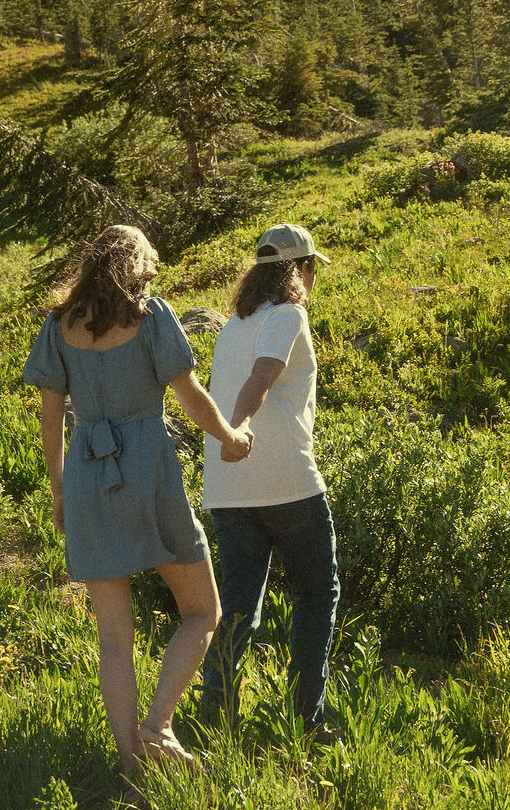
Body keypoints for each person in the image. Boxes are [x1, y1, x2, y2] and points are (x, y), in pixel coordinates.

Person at [24, 223, 254, 782]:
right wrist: (231, 437)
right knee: (203, 611)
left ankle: (132, 772)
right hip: (149, 471)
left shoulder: (58, 326)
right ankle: (159, 727)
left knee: (113, 638)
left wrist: (60, 493)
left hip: (86, 477)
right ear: (139, 265)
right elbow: (191, 396)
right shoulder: (152, 316)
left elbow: (51, 421)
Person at [197, 222, 341, 737]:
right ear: (299, 270)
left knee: (236, 608)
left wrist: (228, 442)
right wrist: (239, 428)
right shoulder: (289, 314)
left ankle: (215, 716)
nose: (313, 278)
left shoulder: (235, 324)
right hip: (285, 481)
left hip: (227, 487)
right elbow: (263, 374)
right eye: (311, 268)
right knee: (316, 592)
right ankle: (306, 717)